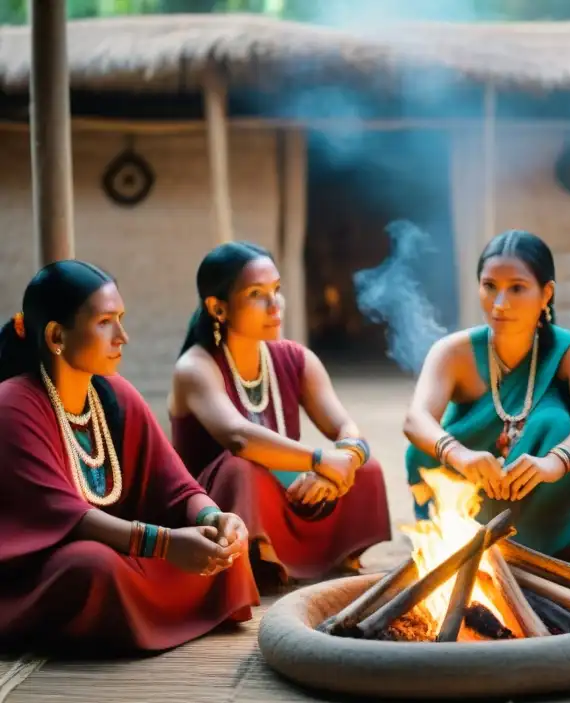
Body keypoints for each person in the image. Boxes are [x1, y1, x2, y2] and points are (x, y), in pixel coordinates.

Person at [0, 261, 258, 654]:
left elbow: (176, 485)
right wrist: (167, 545)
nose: (123, 336)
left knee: (227, 552)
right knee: (92, 567)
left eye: (120, 319)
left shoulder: (117, 395)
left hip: (126, 553)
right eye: (105, 322)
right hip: (38, 571)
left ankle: (148, 612)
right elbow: (63, 514)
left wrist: (214, 519)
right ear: (56, 335)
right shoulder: (14, 403)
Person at [170, 242, 391, 589]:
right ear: (218, 307)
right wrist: (319, 460)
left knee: (368, 468)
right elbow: (238, 437)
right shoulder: (195, 366)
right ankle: (256, 560)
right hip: (222, 508)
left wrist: (344, 460)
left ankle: (331, 556)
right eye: (257, 294)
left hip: (285, 494)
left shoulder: (297, 359)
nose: (275, 305)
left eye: (277, 290)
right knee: (241, 468)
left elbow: (345, 427)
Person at [403, 230, 570, 565]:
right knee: (421, 450)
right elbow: (416, 419)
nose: (499, 304)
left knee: (560, 424)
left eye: (517, 288)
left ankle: (553, 540)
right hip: (471, 485)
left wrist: (553, 463)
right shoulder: (453, 352)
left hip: (544, 485)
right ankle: (465, 537)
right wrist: (461, 455)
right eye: (489, 285)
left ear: (546, 293)